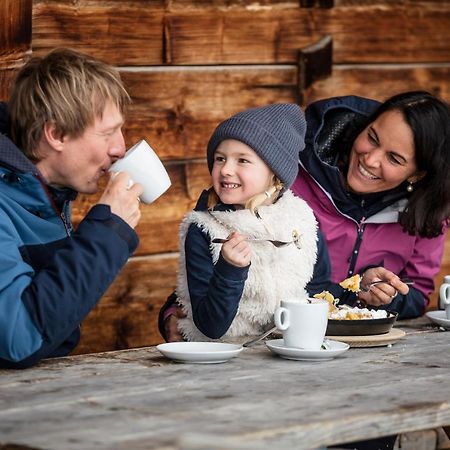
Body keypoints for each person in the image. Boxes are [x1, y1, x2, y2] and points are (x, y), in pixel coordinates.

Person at [159, 90, 449, 342]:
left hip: (364, 349)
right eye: (372, 138)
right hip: (268, 342)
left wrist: (382, 294)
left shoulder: (426, 214)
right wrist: (174, 314)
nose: (371, 159)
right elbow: (218, 237)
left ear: (418, 173)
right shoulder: (288, 178)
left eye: (394, 159)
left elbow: (417, 296)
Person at [0, 48, 143, 369]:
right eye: (107, 133)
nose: (120, 148)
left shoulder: (46, 195)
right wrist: (107, 234)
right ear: (56, 134)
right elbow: (18, 338)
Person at [174, 103, 334, 341]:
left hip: (286, 351)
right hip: (222, 357)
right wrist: (230, 269)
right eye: (220, 158)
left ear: (274, 172)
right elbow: (211, 326)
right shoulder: (204, 229)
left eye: (242, 161)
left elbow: (320, 292)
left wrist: (363, 291)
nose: (225, 169)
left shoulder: (301, 219)